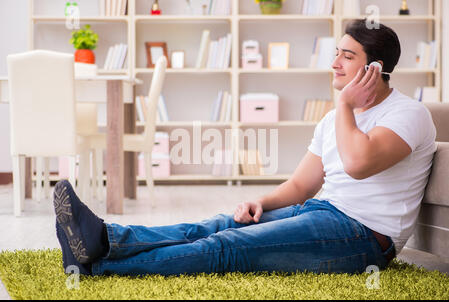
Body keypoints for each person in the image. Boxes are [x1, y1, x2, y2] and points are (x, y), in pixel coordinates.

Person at [53, 19, 436, 276]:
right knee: (219, 224)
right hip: (321, 211)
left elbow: (357, 163)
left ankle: (96, 267)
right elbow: (302, 186)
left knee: (228, 246)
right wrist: (262, 203)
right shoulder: (333, 120)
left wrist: (343, 105)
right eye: (336, 52)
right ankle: (104, 239)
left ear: (375, 69)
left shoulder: (408, 114)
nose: (334, 63)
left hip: (365, 238)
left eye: (347, 57)